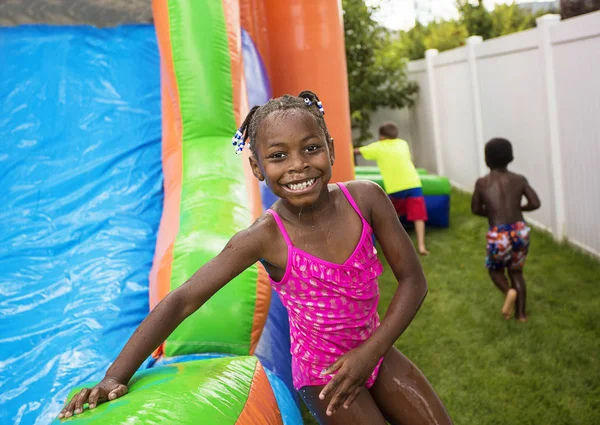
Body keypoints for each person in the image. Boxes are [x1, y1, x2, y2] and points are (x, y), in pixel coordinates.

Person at [58, 92, 452, 425]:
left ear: (331, 147)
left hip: (377, 349)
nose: (298, 165)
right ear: (257, 168)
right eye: (278, 156)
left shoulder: (366, 199)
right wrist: (114, 376)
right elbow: (184, 299)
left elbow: (413, 280)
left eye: (311, 148)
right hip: (322, 375)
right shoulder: (264, 237)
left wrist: (371, 352)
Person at [471, 138, 541, 322]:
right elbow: (535, 203)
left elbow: (476, 209)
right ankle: (521, 315)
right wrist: (518, 210)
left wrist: (493, 213)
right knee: (516, 272)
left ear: (487, 160)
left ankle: (508, 291)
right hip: (520, 230)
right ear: (510, 157)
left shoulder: (482, 183)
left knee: (495, 270)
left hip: (498, 233)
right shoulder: (519, 179)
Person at [354, 123, 429, 255]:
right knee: (418, 216)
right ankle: (421, 246)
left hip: (395, 188)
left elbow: (357, 151)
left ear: (381, 137)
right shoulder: (403, 143)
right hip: (413, 183)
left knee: (390, 216)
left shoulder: (378, 146)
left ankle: (393, 246)